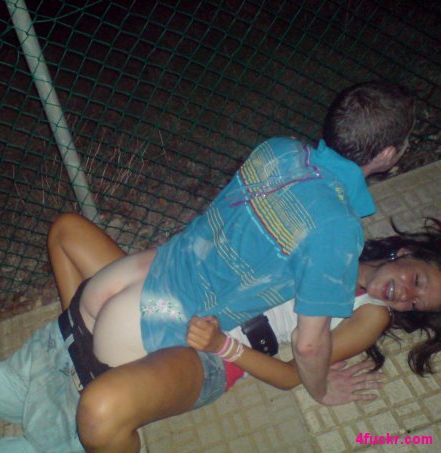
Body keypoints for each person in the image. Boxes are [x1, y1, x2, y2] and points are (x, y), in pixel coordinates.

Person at [0, 213, 439, 452]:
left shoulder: (370, 313)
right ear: (407, 253)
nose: (407, 294)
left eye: (420, 302)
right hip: (172, 297)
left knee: (91, 415)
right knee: (67, 230)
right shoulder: (336, 231)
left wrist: (230, 348)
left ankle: (91, 405)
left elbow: (292, 370)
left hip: (211, 351)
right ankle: (80, 354)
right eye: (418, 280)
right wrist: (95, 325)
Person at [75, 80, 418, 449]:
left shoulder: (279, 148)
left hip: (115, 280)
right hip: (145, 325)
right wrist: (321, 390)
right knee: (105, 417)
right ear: (387, 154)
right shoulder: (337, 228)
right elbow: (307, 345)